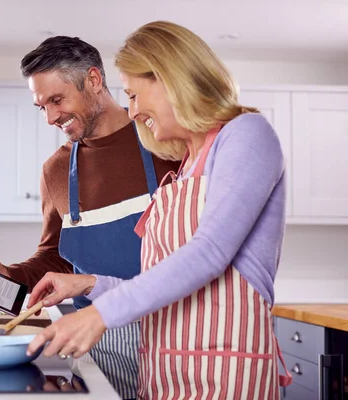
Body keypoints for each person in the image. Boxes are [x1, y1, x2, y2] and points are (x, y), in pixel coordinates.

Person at [25, 21, 293, 399]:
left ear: (169, 78)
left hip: (225, 373)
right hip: (165, 371)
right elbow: (165, 277)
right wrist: (90, 285)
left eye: (134, 95)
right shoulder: (184, 168)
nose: (131, 111)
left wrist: (100, 314)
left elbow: (210, 253)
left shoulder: (247, 134)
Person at [0, 36, 180, 399]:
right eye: (40, 107)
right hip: (98, 343)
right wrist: (9, 275)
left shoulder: (165, 142)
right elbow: (56, 256)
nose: (49, 118)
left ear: (94, 80)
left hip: (174, 333)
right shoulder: (56, 170)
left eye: (57, 100)